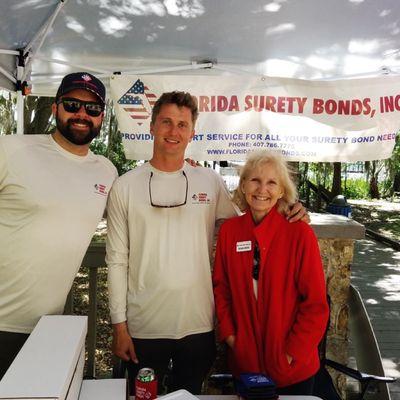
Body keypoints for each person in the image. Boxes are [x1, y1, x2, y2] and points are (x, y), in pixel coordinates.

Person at [106, 91, 308, 394]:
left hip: (198, 325)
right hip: (143, 326)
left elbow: (248, 223)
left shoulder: (208, 182)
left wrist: (289, 207)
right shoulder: (125, 186)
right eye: (166, 122)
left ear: (192, 133)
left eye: (182, 125)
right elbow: (117, 260)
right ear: (151, 126)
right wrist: (119, 326)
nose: (174, 132)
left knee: (190, 393)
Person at [0, 72, 118, 379]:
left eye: (92, 109)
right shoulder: (10, 150)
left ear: (101, 117)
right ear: (55, 108)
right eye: (72, 104)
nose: (82, 114)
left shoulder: (107, 171)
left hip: (46, 328)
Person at [212, 150, 329, 395]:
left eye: (271, 182)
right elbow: (221, 290)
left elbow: (315, 305)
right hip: (246, 366)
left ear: (281, 191)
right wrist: (232, 338)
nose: (262, 189)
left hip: (292, 369)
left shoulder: (299, 234)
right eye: (254, 180)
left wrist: (290, 354)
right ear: (243, 185)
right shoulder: (230, 232)